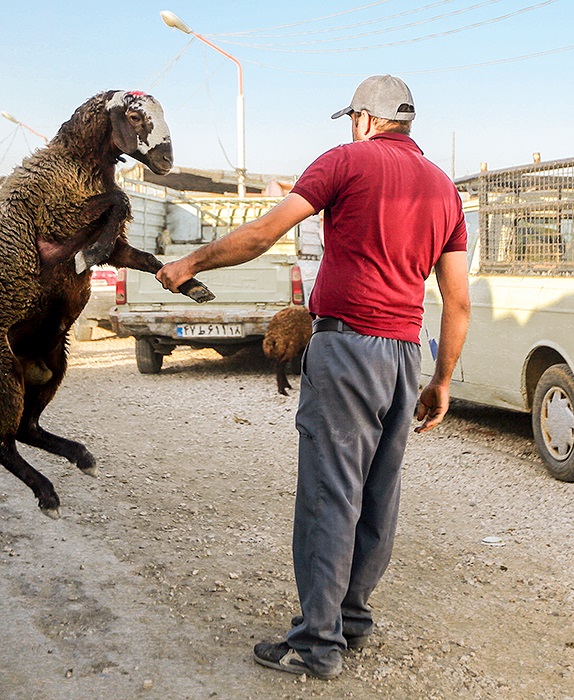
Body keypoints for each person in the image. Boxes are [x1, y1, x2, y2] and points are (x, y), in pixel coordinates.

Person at [157, 74, 471, 681]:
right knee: (379, 492)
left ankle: (318, 644)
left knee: (331, 492)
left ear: (362, 118)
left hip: (350, 345)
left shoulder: (346, 160)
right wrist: (444, 379)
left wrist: (189, 262)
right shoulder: (444, 190)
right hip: (406, 352)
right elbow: (456, 302)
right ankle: (351, 619)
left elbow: (262, 234)